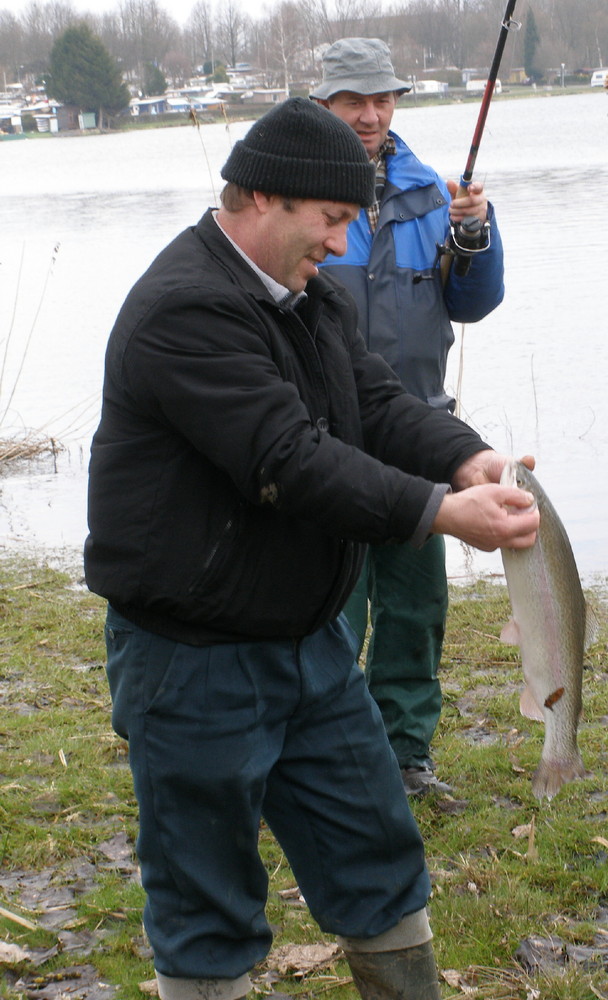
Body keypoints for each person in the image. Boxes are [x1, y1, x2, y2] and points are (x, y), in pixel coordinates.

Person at [84, 97, 538, 1000]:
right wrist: (443, 516)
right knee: (205, 901)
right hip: (193, 660)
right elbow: (289, 462)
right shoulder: (183, 310)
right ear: (260, 197)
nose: (340, 246)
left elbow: (373, 404)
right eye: (330, 222)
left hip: (313, 647)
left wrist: (466, 456)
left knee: (378, 857)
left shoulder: (305, 299)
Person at [310, 37, 507, 796]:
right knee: (329, 608)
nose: (370, 114)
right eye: (354, 100)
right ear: (324, 102)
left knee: (416, 607)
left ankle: (406, 756)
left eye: (382, 98)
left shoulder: (433, 192)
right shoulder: (296, 189)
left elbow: (473, 303)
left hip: (421, 430)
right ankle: (323, 756)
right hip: (324, 438)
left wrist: (475, 235)